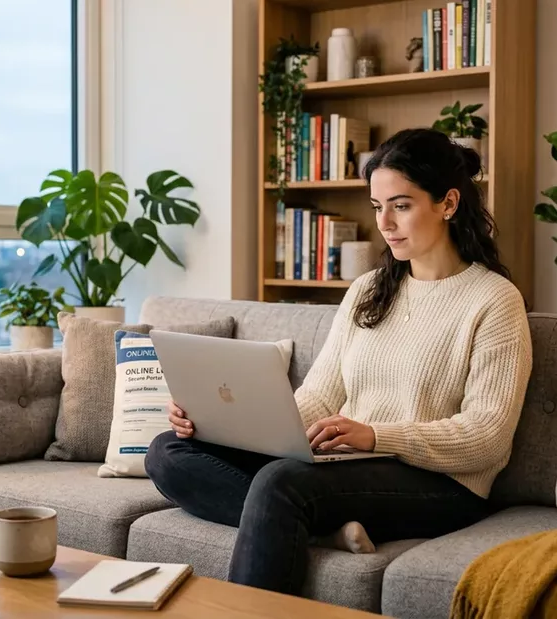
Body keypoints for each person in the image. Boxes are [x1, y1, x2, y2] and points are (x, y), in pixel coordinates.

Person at [143, 127, 533, 597]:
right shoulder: (368, 290)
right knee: (169, 451)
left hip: (443, 485)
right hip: (353, 466)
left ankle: (280, 540)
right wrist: (225, 424)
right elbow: (320, 396)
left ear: (448, 203)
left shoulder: (494, 300)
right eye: (377, 207)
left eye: (401, 205)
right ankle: (315, 530)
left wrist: (375, 434)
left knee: (282, 482)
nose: (384, 222)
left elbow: (487, 439)